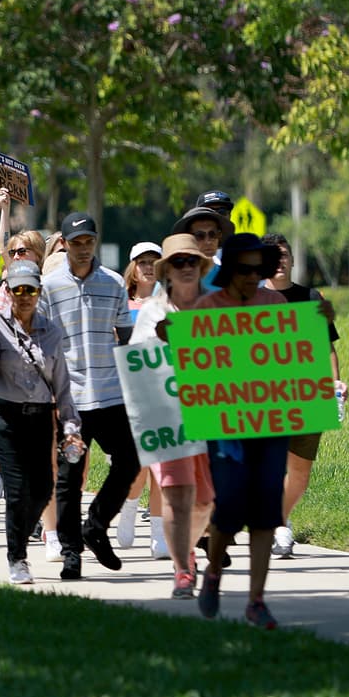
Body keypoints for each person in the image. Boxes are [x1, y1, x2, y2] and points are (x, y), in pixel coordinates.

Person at [187, 233, 290, 626]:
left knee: (266, 513)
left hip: (271, 426)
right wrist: (174, 340)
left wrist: (318, 325)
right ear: (230, 268)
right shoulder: (208, 308)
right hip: (226, 429)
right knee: (229, 508)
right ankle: (213, 572)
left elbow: (294, 358)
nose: (253, 277)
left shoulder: (276, 304)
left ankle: (256, 600)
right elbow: (194, 367)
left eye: (259, 270)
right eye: (245, 269)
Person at [39, 212, 138, 579]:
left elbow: (126, 339)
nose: (83, 249)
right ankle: (70, 552)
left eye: (88, 242)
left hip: (111, 395)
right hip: (71, 403)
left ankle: (95, 526)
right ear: (64, 244)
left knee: (130, 461)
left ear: (95, 242)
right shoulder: (48, 286)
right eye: (76, 243)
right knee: (69, 476)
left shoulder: (113, 283)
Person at [0, 260, 83, 583]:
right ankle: (17, 557)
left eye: (30, 290)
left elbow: (62, 386)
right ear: (7, 291)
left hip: (39, 416)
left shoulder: (51, 331)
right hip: (3, 413)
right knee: (17, 488)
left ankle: (22, 534)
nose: (23, 296)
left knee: (43, 488)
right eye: (17, 289)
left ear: (39, 292)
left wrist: (72, 427)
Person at [132, 233, 216, 598]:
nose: (185, 268)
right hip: (167, 417)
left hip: (210, 416)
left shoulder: (215, 307)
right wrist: (162, 342)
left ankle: (188, 551)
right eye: (178, 263)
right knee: (176, 496)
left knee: (205, 501)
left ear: (200, 267)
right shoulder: (153, 312)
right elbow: (136, 368)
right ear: (167, 271)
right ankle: (182, 570)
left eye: (191, 262)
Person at [261, 232, 345, 560]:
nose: (280, 261)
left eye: (284, 255)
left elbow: (327, 348)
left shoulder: (312, 297)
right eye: (272, 256)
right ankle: (280, 526)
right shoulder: (252, 299)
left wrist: (334, 385)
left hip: (307, 394)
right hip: (266, 397)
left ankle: (278, 518)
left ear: (293, 260)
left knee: (300, 471)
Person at [117, 239, 169, 558]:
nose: (148, 267)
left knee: (162, 465)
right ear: (133, 268)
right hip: (130, 394)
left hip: (165, 392)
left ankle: (158, 534)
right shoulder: (121, 304)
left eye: (154, 262)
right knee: (139, 466)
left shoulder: (171, 304)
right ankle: (129, 507)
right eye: (142, 262)